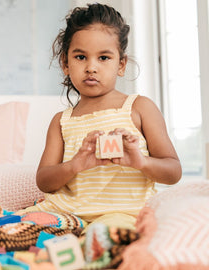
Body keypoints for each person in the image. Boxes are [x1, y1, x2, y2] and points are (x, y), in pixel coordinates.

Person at [23, 3, 182, 229]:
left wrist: (141, 162)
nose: (91, 67)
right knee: (15, 224)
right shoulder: (61, 121)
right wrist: (75, 165)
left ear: (121, 64)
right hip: (67, 213)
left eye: (104, 58)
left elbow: (173, 171)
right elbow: (44, 181)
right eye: (80, 57)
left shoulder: (139, 108)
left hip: (122, 215)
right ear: (65, 64)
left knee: (105, 234)